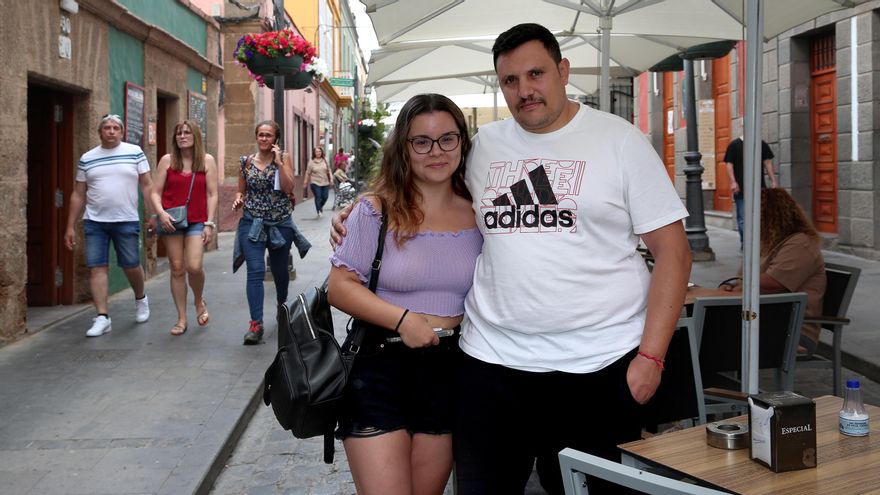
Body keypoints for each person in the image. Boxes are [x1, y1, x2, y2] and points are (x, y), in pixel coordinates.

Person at [332, 23, 692, 495]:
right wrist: (360, 210)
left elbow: (675, 254)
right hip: (490, 368)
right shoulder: (484, 146)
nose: (525, 91)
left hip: (598, 368)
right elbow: (425, 187)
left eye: (536, 74)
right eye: (510, 81)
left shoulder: (620, 140)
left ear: (562, 71)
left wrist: (651, 356)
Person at [328, 94, 482, 495]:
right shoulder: (375, 210)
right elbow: (339, 287)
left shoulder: (483, 214)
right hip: (379, 365)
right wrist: (403, 320)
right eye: (422, 141)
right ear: (404, 148)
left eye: (448, 139)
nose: (436, 151)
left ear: (462, 143)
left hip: (451, 370)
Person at [64, 114, 154, 337]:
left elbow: (147, 186)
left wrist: (154, 213)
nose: (111, 131)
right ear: (100, 132)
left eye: (115, 128)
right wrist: (69, 226)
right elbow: (78, 193)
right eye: (107, 128)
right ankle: (102, 317)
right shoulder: (87, 158)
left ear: (121, 132)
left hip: (126, 219)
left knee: (131, 264)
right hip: (95, 222)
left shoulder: (134, 152)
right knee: (97, 267)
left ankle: (141, 298)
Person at [720, 188, 826, 350]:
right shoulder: (766, 243)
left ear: (770, 217)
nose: (750, 220)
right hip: (762, 318)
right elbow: (743, 277)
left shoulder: (800, 243)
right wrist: (732, 286)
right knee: (709, 327)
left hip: (792, 329)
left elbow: (773, 283)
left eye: (755, 215)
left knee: (715, 334)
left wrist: (741, 286)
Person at [149, 120, 218, 336]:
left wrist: (209, 222)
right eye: (178, 133)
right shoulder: (167, 161)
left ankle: (198, 301)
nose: (182, 136)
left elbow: (212, 194)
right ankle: (181, 318)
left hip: (197, 220)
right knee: (177, 267)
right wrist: (161, 213)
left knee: (194, 266)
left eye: (187, 132)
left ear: (195, 136)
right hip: (172, 220)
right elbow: (155, 192)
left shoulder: (206, 161)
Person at [232, 120, 298, 345]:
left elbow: (289, 188)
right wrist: (238, 199)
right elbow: (241, 190)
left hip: (280, 223)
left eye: (268, 135)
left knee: (280, 272)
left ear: (275, 139)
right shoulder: (246, 162)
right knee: (256, 270)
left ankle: (282, 305)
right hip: (252, 223)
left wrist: (279, 162)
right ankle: (255, 324)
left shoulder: (284, 158)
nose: (264, 138)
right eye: (260, 134)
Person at [723, 136, 779, 247]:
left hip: (759, 188)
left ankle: (760, 243)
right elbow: (729, 165)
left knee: (761, 216)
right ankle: (746, 243)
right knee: (743, 218)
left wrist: (774, 181)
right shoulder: (734, 145)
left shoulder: (761, 144)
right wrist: (733, 182)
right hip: (741, 189)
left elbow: (768, 163)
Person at [304, 146, 333, 218]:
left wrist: (331, 179)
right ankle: (319, 211)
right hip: (315, 182)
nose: (318, 153)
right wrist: (305, 182)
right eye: (316, 151)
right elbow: (307, 173)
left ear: (321, 152)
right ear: (314, 153)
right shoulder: (311, 161)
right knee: (318, 196)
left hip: (325, 182)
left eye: (319, 151)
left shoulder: (325, 160)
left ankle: (320, 206)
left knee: (325, 197)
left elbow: (329, 170)